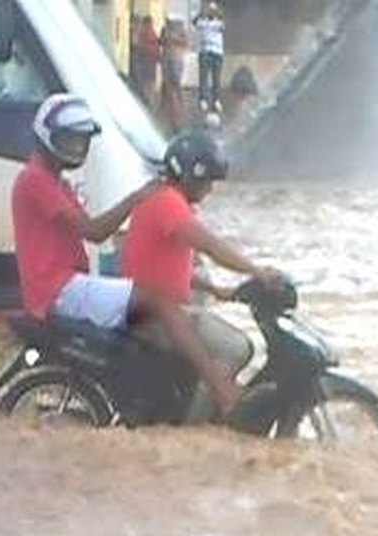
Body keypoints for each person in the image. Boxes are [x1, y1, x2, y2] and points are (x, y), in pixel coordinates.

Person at [10, 93, 257, 425]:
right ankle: (221, 390)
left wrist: (217, 289)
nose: (76, 148)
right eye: (69, 139)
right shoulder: (35, 180)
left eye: (81, 140)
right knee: (156, 301)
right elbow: (94, 231)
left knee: (156, 301)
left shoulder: (54, 182)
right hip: (57, 289)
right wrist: (134, 199)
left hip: (67, 283)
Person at [120, 130, 282, 419]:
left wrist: (216, 289)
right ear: (190, 174)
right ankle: (199, 425)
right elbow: (211, 246)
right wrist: (257, 271)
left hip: (152, 308)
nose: (209, 189)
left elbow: (166, 267)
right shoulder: (168, 202)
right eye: (206, 181)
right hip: (154, 316)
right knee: (237, 347)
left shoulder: (164, 199)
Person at [192, 2, 225, 114]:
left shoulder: (219, 22)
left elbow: (223, 24)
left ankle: (216, 100)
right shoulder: (202, 22)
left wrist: (216, 11)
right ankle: (203, 99)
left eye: (212, 12)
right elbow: (194, 22)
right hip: (205, 52)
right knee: (203, 78)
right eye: (209, 11)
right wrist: (202, 13)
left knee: (216, 78)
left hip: (217, 53)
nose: (211, 13)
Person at [159, 16, 188, 132]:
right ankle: (171, 115)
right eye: (168, 22)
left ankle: (181, 112)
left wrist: (174, 39)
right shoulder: (165, 29)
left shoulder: (181, 31)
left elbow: (185, 42)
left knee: (177, 86)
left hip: (176, 60)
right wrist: (165, 39)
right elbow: (161, 41)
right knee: (169, 88)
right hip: (166, 59)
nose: (169, 24)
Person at [135, 15, 161, 108]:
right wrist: (158, 59)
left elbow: (140, 47)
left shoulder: (143, 34)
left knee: (146, 81)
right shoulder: (152, 33)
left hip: (146, 61)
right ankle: (150, 100)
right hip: (150, 61)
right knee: (150, 81)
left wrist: (138, 59)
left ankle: (148, 99)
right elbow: (157, 47)